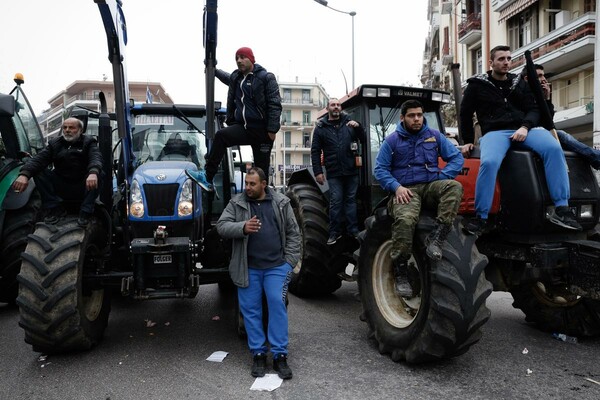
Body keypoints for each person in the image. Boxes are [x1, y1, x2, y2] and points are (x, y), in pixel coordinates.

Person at [459, 45, 582, 235]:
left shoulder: (519, 82)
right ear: (491, 63)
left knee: (554, 148)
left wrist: (525, 127)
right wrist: (467, 140)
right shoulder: (476, 85)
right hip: (495, 133)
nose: (506, 62)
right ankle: (481, 217)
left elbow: (534, 109)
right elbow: (465, 114)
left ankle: (562, 209)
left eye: (509, 58)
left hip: (524, 129)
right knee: (489, 162)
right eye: (501, 59)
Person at [216, 167, 300, 379]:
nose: (248, 188)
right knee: (251, 311)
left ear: (264, 184)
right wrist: (243, 227)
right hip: (248, 269)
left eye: (252, 184)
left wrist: (288, 263)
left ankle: (280, 356)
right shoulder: (237, 203)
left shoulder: (281, 203)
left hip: (276, 268)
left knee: (277, 306)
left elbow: (294, 234)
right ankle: (259, 355)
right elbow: (222, 227)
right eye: (246, 183)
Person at [374, 100, 464, 298]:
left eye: (419, 115)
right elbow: (379, 169)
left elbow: (457, 158)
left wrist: (443, 176)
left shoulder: (434, 136)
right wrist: (396, 188)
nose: (416, 119)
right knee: (406, 221)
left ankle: (438, 236)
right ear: (403, 118)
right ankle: (401, 271)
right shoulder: (392, 141)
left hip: (431, 186)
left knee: (454, 187)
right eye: (411, 115)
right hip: (407, 190)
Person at [187, 47, 282, 191]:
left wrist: (272, 130)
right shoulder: (236, 78)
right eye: (237, 58)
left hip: (262, 132)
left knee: (261, 173)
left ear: (251, 59)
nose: (239, 60)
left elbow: (275, 104)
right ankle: (207, 176)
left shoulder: (265, 77)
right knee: (221, 136)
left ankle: (265, 203)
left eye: (243, 57)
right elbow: (227, 77)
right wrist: (213, 69)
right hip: (243, 128)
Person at [12, 117, 102, 227]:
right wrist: (24, 175)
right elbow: (38, 159)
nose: (67, 130)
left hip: (83, 184)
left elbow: (96, 158)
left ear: (80, 130)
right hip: (61, 184)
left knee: (99, 173)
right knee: (38, 171)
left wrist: (93, 172)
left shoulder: (89, 142)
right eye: (65, 127)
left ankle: (86, 212)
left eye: (71, 127)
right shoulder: (55, 144)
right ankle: (54, 208)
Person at [310, 98, 364, 245]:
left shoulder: (350, 124)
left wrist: (358, 127)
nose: (336, 107)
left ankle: (353, 230)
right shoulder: (321, 128)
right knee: (336, 201)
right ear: (328, 108)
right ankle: (334, 232)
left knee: (351, 201)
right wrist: (318, 172)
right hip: (334, 172)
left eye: (338, 105)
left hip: (351, 170)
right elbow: (315, 151)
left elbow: (363, 139)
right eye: (333, 105)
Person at [528, 64, 600, 169]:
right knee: (561, 135)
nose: (543, 79)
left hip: (542, 132)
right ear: (527, 78)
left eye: (543, 76)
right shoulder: (523, 95)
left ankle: (594, 158)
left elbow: (549, 121)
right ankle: (596, 157)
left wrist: (547, 98)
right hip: (530, 133)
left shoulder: (538, 95)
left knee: (562, 136)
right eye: (539, 76)